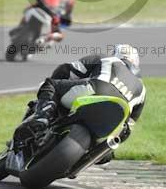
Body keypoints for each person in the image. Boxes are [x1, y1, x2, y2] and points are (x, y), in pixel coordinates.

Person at [14, 44, 146, 150]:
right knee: (106, 149)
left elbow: (67, 69)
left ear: (116, 54)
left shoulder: (107, 59)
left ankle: (41, 119)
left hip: (96, 91)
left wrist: (52, 89)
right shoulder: (142, 90)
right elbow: (129, 127)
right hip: (116, 117)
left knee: (52, 85)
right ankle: (97, 154)